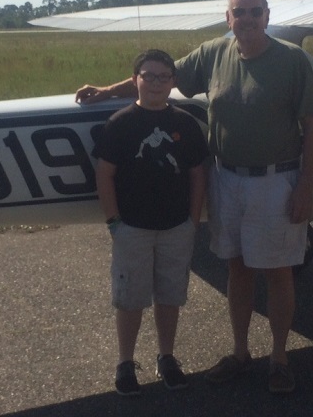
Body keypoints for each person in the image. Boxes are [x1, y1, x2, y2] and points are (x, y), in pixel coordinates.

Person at [77, 0, 313, 394]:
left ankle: (280, 358)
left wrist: (305, 186)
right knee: (238, 267)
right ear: (228, 19)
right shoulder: (214, 53)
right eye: (239, 12)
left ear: (267, 15)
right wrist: (107, 91)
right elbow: (162, 75)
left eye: (255, 11)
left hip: (275, 180)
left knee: (279, 271)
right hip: (226, 177)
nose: (247, 19)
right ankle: (240, 352)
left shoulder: (292, 60)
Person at [94, 49, 208, 396]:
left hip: (176, 226)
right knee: (130, 298)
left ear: (172, 82)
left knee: (170, 296)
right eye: (148, 76)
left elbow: (198, 175)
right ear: (135, 80)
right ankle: (125, 362)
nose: (156, 83)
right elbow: (105, 174)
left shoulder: (185, 123)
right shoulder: (120, 123)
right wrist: (114, 222)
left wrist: (192, 221)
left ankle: (167, 357)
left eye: (163, 77)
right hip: (133, 227)